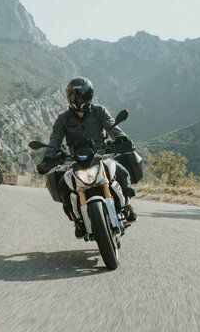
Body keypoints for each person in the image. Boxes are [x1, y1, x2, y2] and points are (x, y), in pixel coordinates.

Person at [43, 77, 137, 238]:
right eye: (74, 95)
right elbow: (55, 139)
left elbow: (111, 126)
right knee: (63, 184)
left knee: (121, 172)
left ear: (89, 95)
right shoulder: (63, 119)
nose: (78, 99)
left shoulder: (99, 111)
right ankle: (78, 220)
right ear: (69, 97)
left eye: (81, 95)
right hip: (76, 160)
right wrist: (49, 156)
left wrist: (121, 138)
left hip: (100, 155)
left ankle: (127, 205)